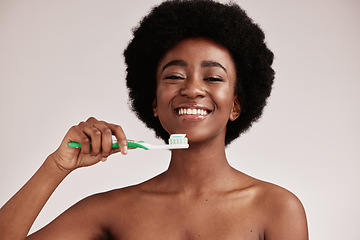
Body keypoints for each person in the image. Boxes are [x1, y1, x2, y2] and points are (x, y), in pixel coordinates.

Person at [0, 0, 308, 239]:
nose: (192, 89)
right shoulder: (111, 210)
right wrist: (56, 166)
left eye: (213, 77)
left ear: (236, 105)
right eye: (174, 76)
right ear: (154, 103)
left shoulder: (277, 209)